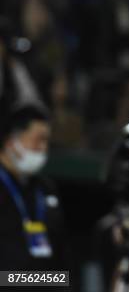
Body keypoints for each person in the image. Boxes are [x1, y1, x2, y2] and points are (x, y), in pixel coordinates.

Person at [0, 104, 69, 271]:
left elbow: (61, 251)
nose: (44, 148)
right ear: (11, 142)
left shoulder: (45, 188)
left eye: (47, 141)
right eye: (38, 139)